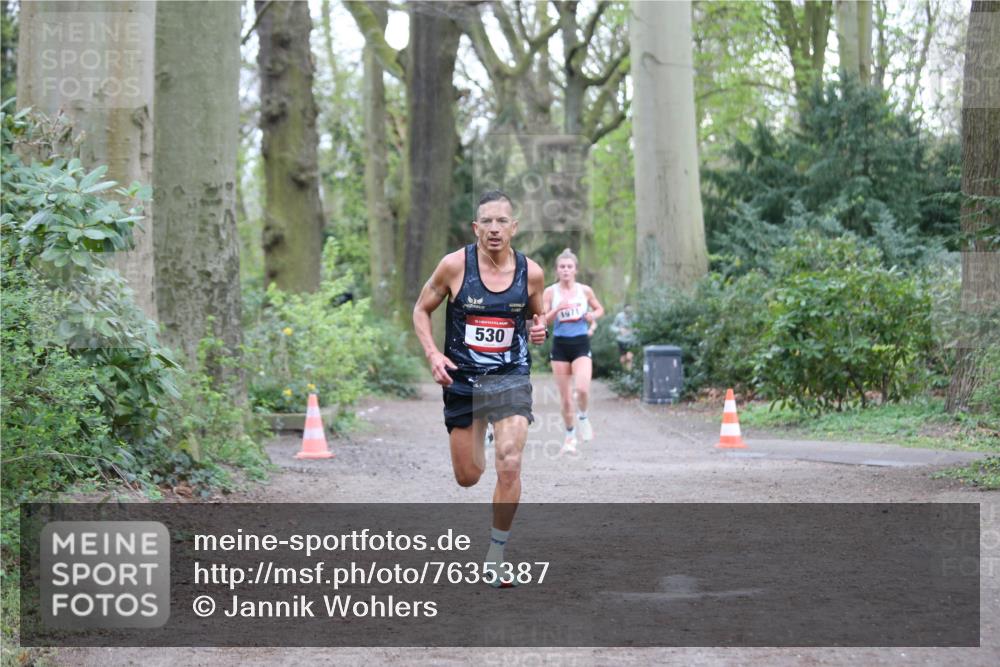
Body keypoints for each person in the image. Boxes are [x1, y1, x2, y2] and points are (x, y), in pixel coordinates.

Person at [412, 190, 547, 588]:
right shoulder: (454, 267)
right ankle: (481, 432)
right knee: (468, 476)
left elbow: (536, 319)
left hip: (510, 376)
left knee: (510, 461)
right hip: (463, 380)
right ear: (476, 228)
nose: (493, 228)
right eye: (486, 221)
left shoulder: (531, 273)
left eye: (501, 221)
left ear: (513, 227)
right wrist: (433, 354)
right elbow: (421, 309)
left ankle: (496, 554)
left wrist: (538, 329)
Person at [542, 248, 604, 455]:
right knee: (566, 398)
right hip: (560, 346)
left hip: (580, 345)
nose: (566, 270)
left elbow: (599, 309)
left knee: (583, 389)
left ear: (575, 270)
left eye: (569, 267)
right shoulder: (550, 292)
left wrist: (591, 315)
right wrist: (557, 310)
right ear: (557, 270)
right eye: (562, 267)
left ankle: (584, 416)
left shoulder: (584, 291)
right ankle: (570, 437)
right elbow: (543, 319)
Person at [611, 303, 637, 371]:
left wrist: (634, 330)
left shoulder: (635, 317)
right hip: (621, 340)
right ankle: (624, 373)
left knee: (629, 357)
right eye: (627, 310)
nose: (628, 312)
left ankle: (629, 373)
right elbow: (612, 327)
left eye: (630, 310)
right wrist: (620, 330)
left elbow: (638, 328)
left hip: (631, 340)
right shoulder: (619, 316)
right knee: (623, 359)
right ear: (624, 310)